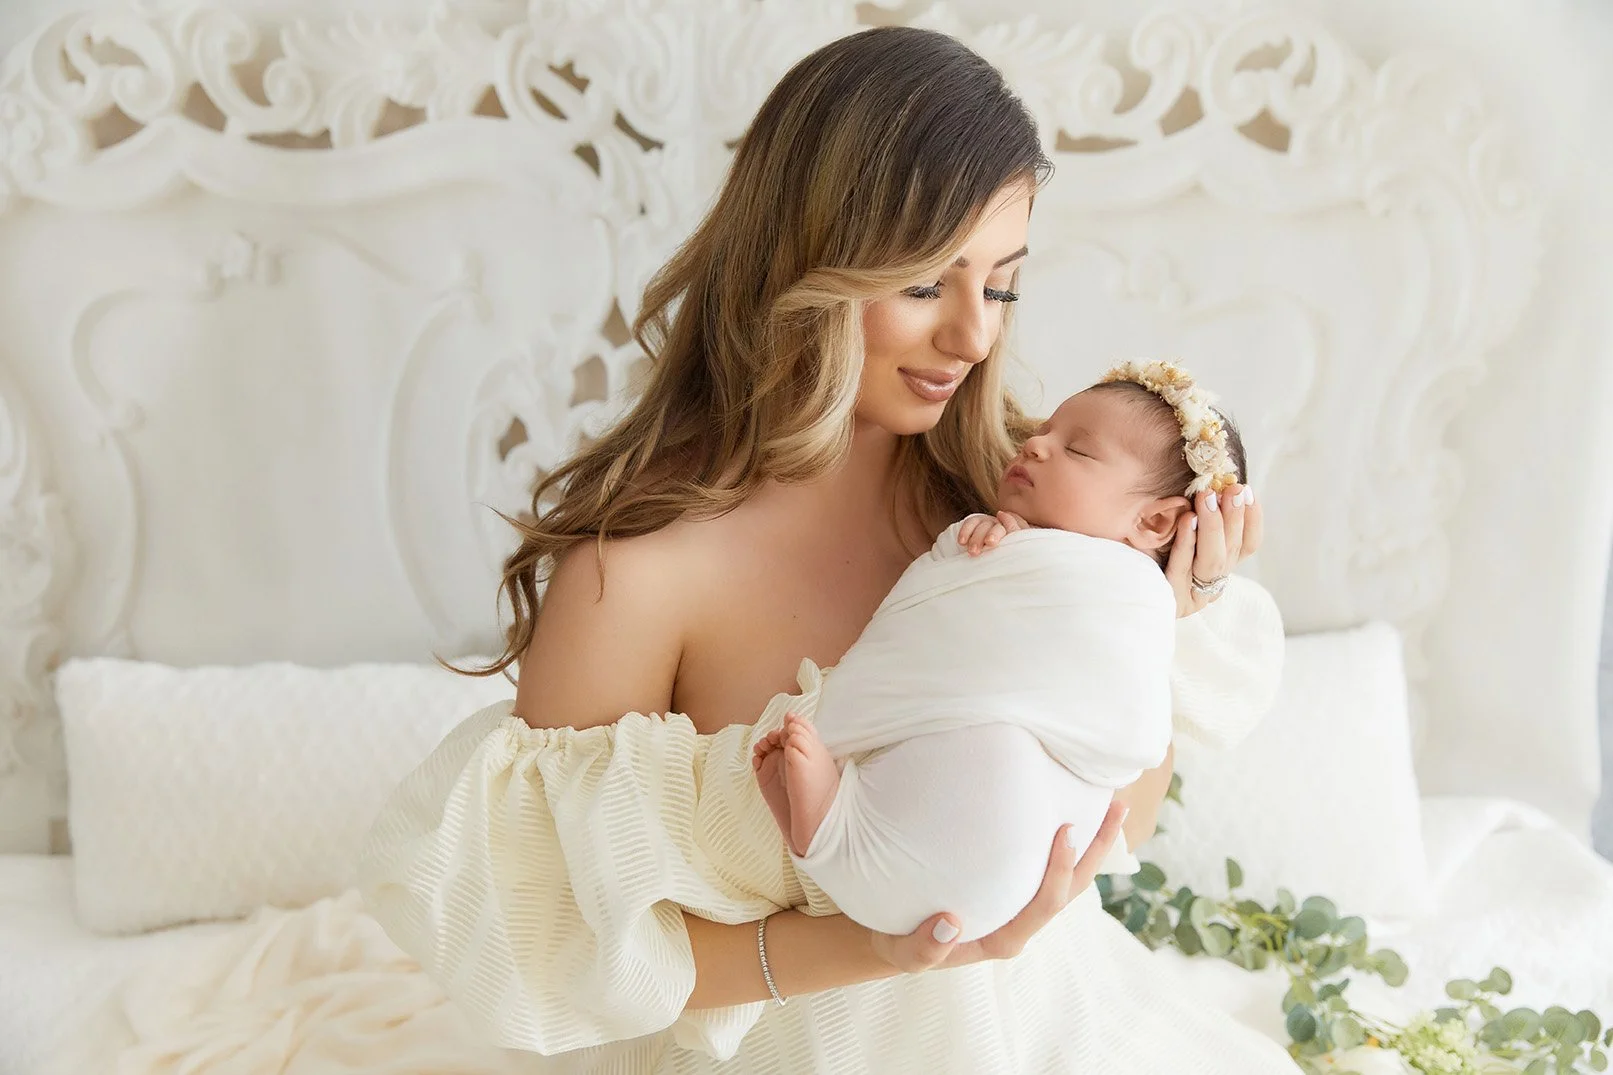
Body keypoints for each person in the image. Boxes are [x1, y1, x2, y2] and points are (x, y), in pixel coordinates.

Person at [359, 25, 1296, 1073]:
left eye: (999, 285)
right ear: (800, 265)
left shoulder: (1018, 508)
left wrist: (1150, 613)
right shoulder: (637, 578)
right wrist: (875, 945)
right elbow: (560, 942)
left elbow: (1114, 819)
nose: (972, 338)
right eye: (923, 285)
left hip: (1048, 1026)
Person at [756, 362, 1264, 944]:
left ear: (1153, 521)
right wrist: (981, 551)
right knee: (971, 752)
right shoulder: (999, 533)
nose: (1037, 445)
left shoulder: (1136, 596)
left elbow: (1126, 738)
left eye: (1078, 450)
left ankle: (827, 831)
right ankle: (827, 825)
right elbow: (943, 620)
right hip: (906, 817)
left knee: (1004, 764)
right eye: (1041, 433)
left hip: (1008, 864)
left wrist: (1171, 612)